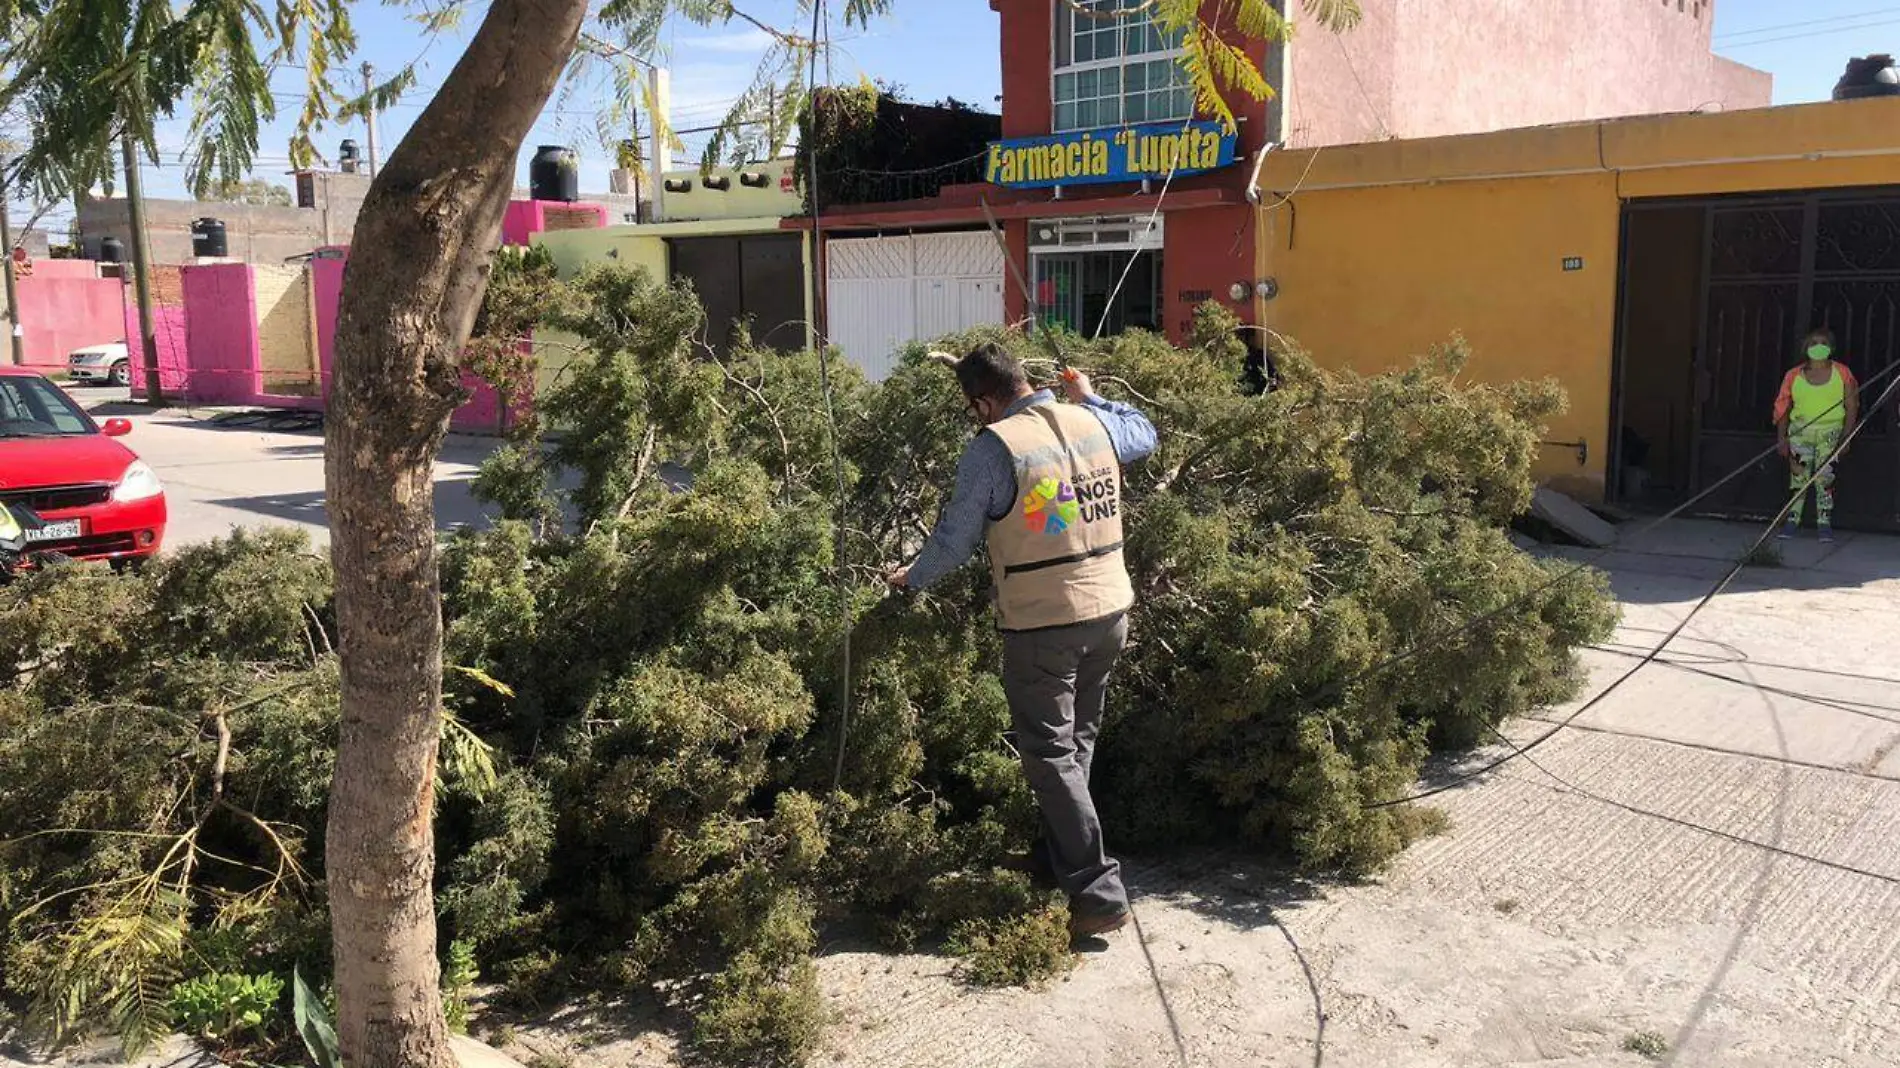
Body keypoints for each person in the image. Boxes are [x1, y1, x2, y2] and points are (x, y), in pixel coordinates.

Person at [886, 342, 1157, 940]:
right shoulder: (1091, 421)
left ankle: (1097, 891)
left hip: (1044, 624)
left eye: (972, 407)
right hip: (1111, 610)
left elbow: (955, 541)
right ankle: (1060, 862)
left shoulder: (993, 448)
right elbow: (1145, 431)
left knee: (1050, 752)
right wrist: (1092, 396)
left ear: (984, 401)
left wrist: (912, 578)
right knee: (1074, 743)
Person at [1773, 327, 1859, 542]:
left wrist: (1847, 436)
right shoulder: (1793, 376)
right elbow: (1783, 408)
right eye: (1813, 343)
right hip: (1800, 434)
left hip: (1830, 434)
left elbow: (1852, 406)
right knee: (1798, 477)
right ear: (1806, 348)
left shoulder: (1842, 373)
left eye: (1823, 342)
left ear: (1830, 348)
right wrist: (1781, 438)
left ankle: (1824, 524)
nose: (1818, 347)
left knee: (1825, 479)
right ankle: (1792, 521)